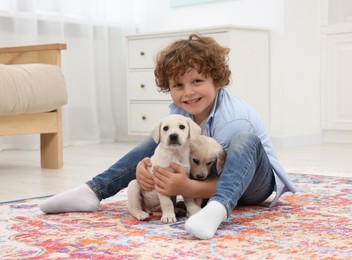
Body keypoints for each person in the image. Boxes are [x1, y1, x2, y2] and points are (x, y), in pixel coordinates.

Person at [40, 34, 298, 239]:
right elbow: (165, 156)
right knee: (160, 139)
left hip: (251, 184)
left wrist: (185, 188)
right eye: (178, 85)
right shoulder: (181, 111)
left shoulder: (233, 119)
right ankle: (93, 191)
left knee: (244, 139)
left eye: (197, 81)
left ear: (217, 80)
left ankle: (217, 211)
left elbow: (232, 175)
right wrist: (146, 169)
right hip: (201, 179)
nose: (188, 92)